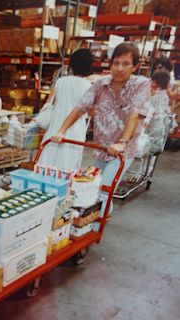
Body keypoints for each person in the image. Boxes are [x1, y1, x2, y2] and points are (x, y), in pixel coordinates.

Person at [52, 42, 151, 217]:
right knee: (93, 189)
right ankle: (97, 220)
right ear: (110, 64)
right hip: (100, 147)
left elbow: (135, 114)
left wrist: (122, 142)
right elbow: (80, 107)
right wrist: (61, 131)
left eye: (126, 64)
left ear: (135, 66)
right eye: (116, 63)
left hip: (122, 151)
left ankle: (95, 228)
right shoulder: (100, 84)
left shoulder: (141, 85)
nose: (119, 68)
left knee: (103, 192)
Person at [36, 48, 93, 170]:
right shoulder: (88, 86)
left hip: (56, 125)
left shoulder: (60, 82)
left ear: (71, 65)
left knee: (48, 159)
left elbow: (49, 102)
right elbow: (90, 111)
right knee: (68, 162)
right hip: (75, 128)